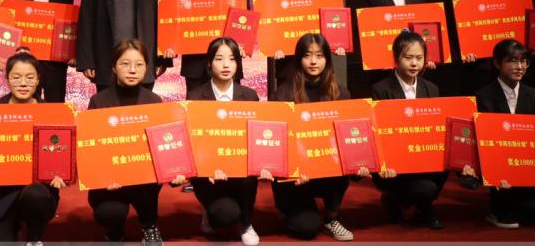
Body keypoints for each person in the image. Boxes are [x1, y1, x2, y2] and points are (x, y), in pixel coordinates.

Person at [87, 39, 180, 243]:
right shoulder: (98, 101)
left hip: (143, 183)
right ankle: (114, 231)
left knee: (147, 181)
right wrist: (103, 177)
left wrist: (176, 172)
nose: (132, 70)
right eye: (125, 64)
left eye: (139, 64)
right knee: (109, 212)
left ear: (146, 68)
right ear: (114, 67)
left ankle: (149, 225)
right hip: (110, 182)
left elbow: (164, 146)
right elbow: (91, 150)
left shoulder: (154, 102)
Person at [270, 33, 360, 241]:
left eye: (319, 56)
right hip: (296, 178)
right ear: (298, 58)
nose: (313, 61)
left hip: (327, 173)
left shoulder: (341, 94)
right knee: (307, 228)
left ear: (327, 59)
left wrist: (359, 164)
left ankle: (331, 216)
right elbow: (277, 145)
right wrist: (293, 171)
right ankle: (290, 210)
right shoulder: (282, 95)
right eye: (307, 55)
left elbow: (349, 139)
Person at [0, 51, 64, 243]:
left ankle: (34, 237)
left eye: (30, 77)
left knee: (35, 195)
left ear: (38, 80)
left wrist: (61, 173)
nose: (23, 83)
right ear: (7, 79)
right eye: (16, 77)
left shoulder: (52, 113)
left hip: (37, 192)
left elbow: (61, 153)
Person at [186, 37, 263, 245]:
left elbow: (255, 139)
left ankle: (246, 223)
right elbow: (193, 141)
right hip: (209, 175)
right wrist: (208, 168)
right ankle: (209, 210)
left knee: (248, 177)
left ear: (238, 63)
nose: (226, 65)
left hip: (240, 171)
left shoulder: (250, 96)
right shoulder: (194, 97)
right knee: (224, 216)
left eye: (232, 59)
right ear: (209, 63)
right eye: (219, 59)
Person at [370, 30, 448, 230]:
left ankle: (423, 207)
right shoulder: (380, 89)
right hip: (394, 162)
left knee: (445, 162)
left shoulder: (432, 89)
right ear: (396, 58)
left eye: (419, 58)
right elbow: (377, 133)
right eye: (408, 57)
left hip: (422, 157)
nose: (414, 63)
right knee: (422, 188)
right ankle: (394, 199)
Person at [475, 39, 535, 229]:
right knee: (507, 213)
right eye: (513, 60)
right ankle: (496, 208)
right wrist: (496, 172)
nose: (519, 66)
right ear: (497, 64)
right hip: (499, 166)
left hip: (526, 166)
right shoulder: (484, 96)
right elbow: (485, 141)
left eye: (523, 61)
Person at [5, 0, 75, 103]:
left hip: (55, 63)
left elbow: (69, 24)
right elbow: (10, 25)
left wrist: (71, 52)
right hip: (26, 61)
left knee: (55, 106)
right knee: (26, 105)